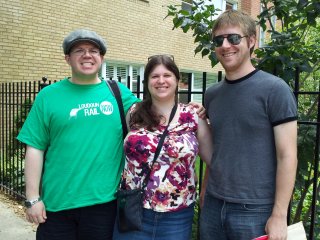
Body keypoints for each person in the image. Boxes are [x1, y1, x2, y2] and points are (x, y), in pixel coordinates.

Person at [17, 29, 140, 240]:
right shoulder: (48, 96)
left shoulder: (118, 93)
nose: (87, 55)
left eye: (94, 50)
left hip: (103, 205)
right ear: (67, 58)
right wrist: (32, 198)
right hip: (57, 206)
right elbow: (35, 147)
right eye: (79, 50)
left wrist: (192, 110)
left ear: (101, 58)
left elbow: (151, 119)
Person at [200, 10, 298, 240]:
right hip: (214, 204)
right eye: (218, 40)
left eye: (234, 38)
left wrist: (279, 215)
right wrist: (205, 189)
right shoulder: (212, 94)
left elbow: (288, 156)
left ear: (252, 41)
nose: (225, 45)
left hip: (255, 210)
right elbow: (218, 148)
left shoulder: (275, 89)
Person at [113, 54, 213, 240]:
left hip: (177, 215)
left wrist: (205, 191)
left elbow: (213, 160)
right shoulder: (134, 113)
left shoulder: (193, 116)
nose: (161, 81)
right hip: (133, 209)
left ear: (177, 80)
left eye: (167, 75)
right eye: (154, 76)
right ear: (147, 82)